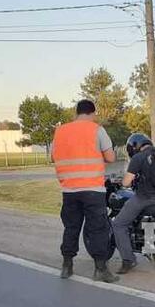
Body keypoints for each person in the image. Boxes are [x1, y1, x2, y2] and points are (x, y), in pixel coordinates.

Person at [52, 99, 118, 283]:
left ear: (77, 112)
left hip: (69, 190)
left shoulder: (61, 131)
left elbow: (53, 156)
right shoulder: (97, 129)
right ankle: (100, 269)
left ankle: (67, 266)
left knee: (71, 227)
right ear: (92, 113)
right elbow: (111, 157)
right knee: (97, 228)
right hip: (92, 189)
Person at [111, 133, 155, 274]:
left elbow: (127, 182)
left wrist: (121, 181)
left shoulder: (138, 158)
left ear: (134, 147)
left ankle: (128, 260)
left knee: (118, 224)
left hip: (144, 198)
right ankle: (152, 246)